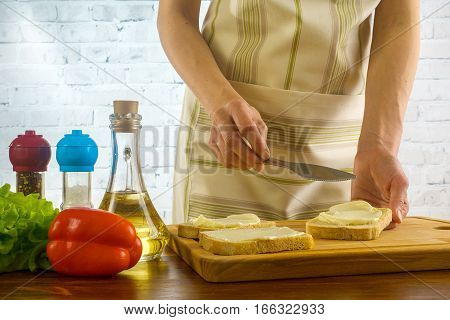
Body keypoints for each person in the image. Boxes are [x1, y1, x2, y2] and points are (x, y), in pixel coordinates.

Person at [158, 0, 419, 227]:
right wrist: (219, 101)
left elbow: (399, 22)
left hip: (345, 150)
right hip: (228, 131)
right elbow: (176, 13)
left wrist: (380, 144)